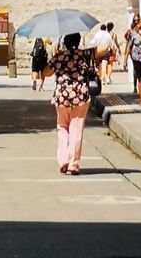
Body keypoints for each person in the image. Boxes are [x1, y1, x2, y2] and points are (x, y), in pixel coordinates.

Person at [47, 32, 93, 174]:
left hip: (62, 96)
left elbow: (45, 73)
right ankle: (73, 163)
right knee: (76, 128)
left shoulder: (59, 56)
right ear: (78, 41)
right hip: (80, 95)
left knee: (62, 127)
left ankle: (63, 160)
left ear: (65, 42)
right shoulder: (85, 55)